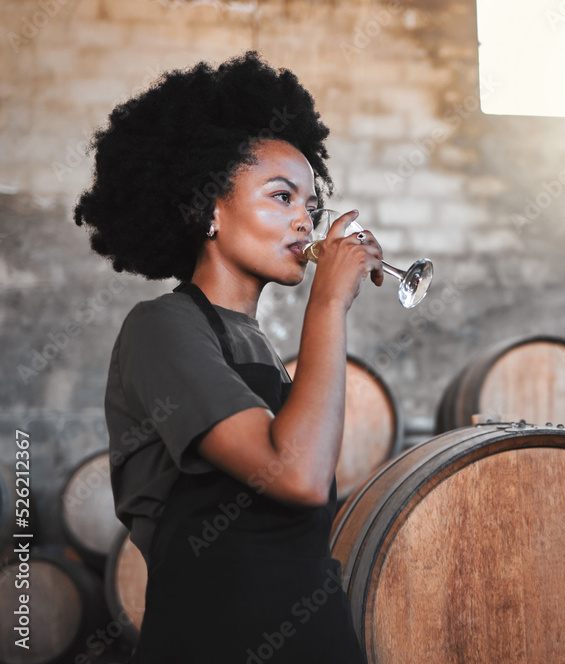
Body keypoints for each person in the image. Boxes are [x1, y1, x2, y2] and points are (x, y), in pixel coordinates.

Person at [74, 51, 380, 663]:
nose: (305, 221)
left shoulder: (257, 345)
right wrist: (328, 308)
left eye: (311, 205)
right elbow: (295, 475)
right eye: (280, 196)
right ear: (209, 209)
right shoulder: (161, 328)